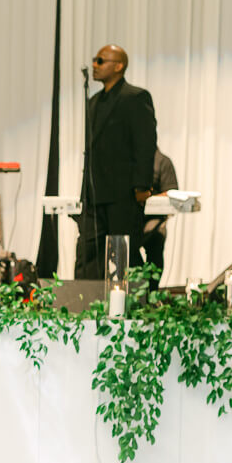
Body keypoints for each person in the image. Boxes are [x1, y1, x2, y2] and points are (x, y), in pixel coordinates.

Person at [76, 44, 157, 280]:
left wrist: (142, 186)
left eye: (101, 61)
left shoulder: (135, 97)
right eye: (95, 60)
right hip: (94, 193)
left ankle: (132, 302)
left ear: (118, 66)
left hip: (122, 194)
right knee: (88, 251)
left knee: (124, 254)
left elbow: (145, 144)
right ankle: (85, 304)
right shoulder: (93, 102)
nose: (95, 65)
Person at [139, 147, 179, 288]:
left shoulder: (163, 162)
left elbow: (171, 192)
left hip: (154, 220)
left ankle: (152, 290)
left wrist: (147, 197)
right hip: (130, 220)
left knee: (156, 241)